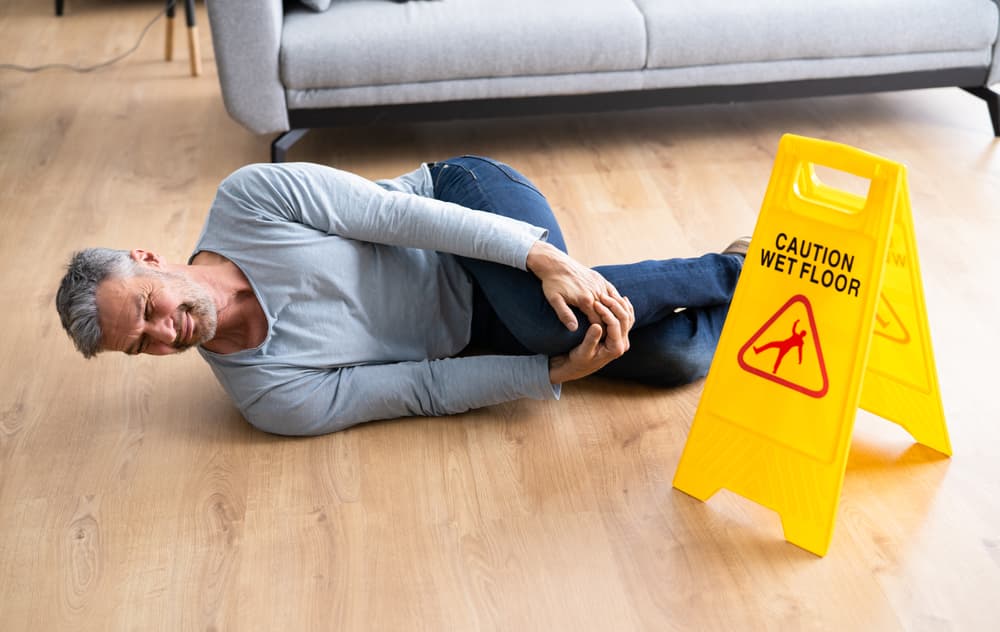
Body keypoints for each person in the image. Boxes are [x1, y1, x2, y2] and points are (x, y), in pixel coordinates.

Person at [56, 156, 746, 436]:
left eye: (147, 308)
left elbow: (396, 218)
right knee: (674, 360)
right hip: (473, 330)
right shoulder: (266, 396)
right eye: (143, 344)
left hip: (466, 211)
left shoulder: (249, 200)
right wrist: (553, 375)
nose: (165, 333)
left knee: (547, 318)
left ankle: (749, 270)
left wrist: (541, 256)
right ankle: (743, 292)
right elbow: (417, 386)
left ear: (148, 259)